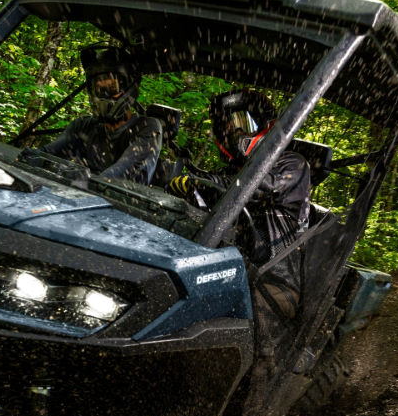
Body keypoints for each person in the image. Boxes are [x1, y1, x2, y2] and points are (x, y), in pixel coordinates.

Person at [166, 89, 311, 266]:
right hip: (228, 256)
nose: (234, 133)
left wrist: (202, 183)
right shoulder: (234, 170)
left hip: (270, 270)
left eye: (240, 126)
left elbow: (253, 188)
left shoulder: (293, 164)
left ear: (265, 126)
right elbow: (214, 184)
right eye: (225, 128)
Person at [39, 45, 163, 184]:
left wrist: (84, 181)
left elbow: (120, 174)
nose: (104, 95)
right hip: (75, 194)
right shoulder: (83, 126)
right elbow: (46, 153)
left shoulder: (146, 127)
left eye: (111, 88)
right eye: (99, 89)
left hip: (115, 197)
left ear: (129, 88)